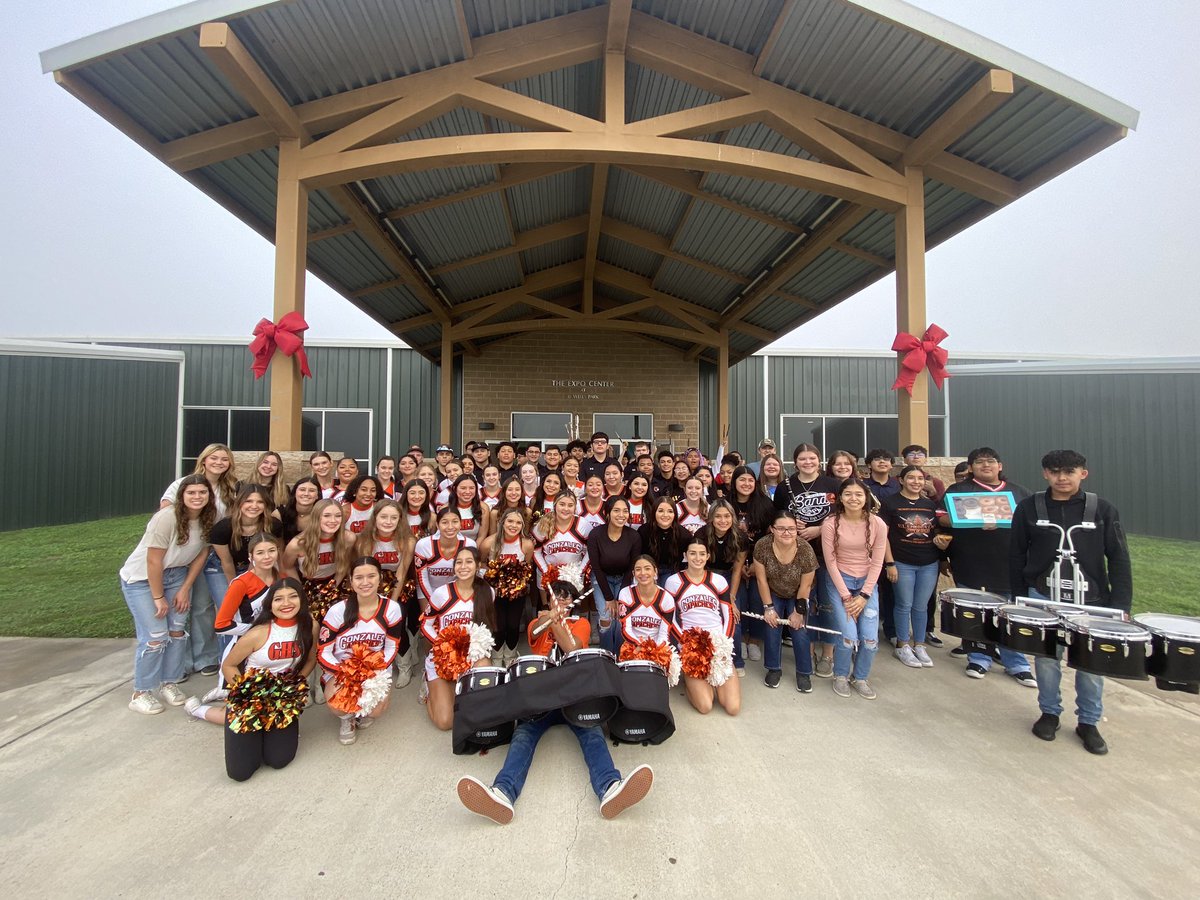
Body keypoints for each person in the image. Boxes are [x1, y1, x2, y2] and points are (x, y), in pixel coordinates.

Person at [456, 578, 655, 825]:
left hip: (575, 694)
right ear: (549, 600)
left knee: (592, 732)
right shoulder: (537, 621)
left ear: (572, 603)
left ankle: (610, 787)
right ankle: (503, 792)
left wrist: (558, 621)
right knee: (523, 735)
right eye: (556, 596)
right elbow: (535, 633)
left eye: (565, 597)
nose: (560, 601)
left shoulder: (580, 623)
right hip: (542, 695)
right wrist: (548, 617)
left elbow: (572, 648)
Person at [1010, 450, 1132, 755]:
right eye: (1055, 472)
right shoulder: (1029, 508)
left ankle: (1089, 722)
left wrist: (1120, 605)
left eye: (1069, 472)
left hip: (1091, 599)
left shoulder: (1101, 510)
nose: (1062, 478)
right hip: (1042, 595)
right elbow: (1015, 553)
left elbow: (1118, 558)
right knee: (1047, 660)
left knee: (1090, 664)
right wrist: (1019, 596)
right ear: (1045, 474)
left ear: (1083, 474)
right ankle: (1049, 712)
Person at [204, 578, 317, 781]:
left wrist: (293, 685)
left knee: (279, 760)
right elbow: (228, 665)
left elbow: (311, 659)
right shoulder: (258, 632)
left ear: (302, 599)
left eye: (293, 596)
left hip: (281, 700)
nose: (286, 604)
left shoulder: (310, 625)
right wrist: (248, 693)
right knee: (240, 773)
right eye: (278, 599)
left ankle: (264, 734)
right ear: (270, 604)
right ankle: (199, 710)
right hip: (250, 698)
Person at [120, 474, 215, 714]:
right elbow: (153, 560)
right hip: (143, 580)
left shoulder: (207, 518)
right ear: (181, 495)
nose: (197, 497)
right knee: (155, 636)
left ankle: (168, 682)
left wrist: (185, 588)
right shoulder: (167, 518)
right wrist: (158, 596)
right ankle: (141, 691)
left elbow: (201, 555)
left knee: (177, 632)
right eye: (191, 492)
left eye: (202, 492)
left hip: (177, 576)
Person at [941, 447, 1036, 687]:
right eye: (979, 462)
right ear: (971, 467)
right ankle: (979, 657)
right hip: (971, 560)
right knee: (974, 610)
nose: (986, 465)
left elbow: (1033, 525)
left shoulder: (1019, 492)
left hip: (1010, 564)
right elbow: (941, 517)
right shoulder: (958, 490)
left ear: (1000, 466)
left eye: (991, 461)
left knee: (1010, 613)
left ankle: (1016, 662)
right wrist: (965, 520)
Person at [161, 443, 238, 676]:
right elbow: (164, 512)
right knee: (179, 607)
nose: (219, 463)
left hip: (210, 554)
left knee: (203, 607)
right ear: (204, 460)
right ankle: (179, 662)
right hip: (182, 554)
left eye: (224, 459)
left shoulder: (230, 489)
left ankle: (205, 657)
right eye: (214, 458)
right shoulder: (184, 484)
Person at [318, 557, 407, 745]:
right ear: (351, 580)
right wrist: (346, 673)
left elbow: (392, 646)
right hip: (342, 671)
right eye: (359, 577)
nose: (365, 582)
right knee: (338, 704)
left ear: (380, 578)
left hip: (375, 669)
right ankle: (347, 719)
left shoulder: (391, 609)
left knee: (375, 710)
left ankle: (360, 713)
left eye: (371, 576)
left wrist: (374, 670)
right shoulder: (337, 611)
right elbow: (323, 652)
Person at [775, 443, 841, 677]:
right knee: (805, 604)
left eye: (812, 458)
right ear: (796, 461)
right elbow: (779, 515)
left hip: (827, 553)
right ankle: (810, 650)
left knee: (828, 604)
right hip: (796, 553)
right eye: (802, 459)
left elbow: (843, 515)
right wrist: (792, 525)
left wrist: (820, 529)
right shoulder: (786, 486)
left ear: (819, 460)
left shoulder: (833, 484)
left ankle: (828, 655)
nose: (807, 462)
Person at [821, 478, 886, 699]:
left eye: (858, 494)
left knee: (870, 640)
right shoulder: (831, 524)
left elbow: (877, 562)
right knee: (848, 637)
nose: (853, 499)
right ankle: (840, 675)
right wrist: (846, 596)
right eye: (848, 494)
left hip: (866, 584)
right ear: (840, 498)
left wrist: (865, 594)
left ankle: (860, 677)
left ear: (866, 497)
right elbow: (830, 563)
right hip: (841, 582)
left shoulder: (878, 524)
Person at [421, 547, 497, 731]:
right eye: (459, 562)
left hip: (471, 656)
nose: (463, 566)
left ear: (478, 565)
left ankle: (458, 688)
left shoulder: (488, 592)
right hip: (443, 656)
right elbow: (426, 624)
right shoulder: (442, 593)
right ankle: (428, 686)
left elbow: (486, 629)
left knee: (478, 706)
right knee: (446, 722)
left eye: (469, 561)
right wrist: (443, 645)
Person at [666, 539, 740, 715]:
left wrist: (723, 643)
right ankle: (690, 678)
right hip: (692, 646)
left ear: (708, 556)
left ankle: (713, 676)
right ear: (685, 556)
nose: (697, 558)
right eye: (692, 553)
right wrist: (686, 642)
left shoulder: (718, 580)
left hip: (717, 644)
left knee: (732, 708)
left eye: (701, 554)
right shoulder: (674, 581)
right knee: (705, 706)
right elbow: (668, 618)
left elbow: (728, 613)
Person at [880, 466, 941, 669]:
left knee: (921, 606)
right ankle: (903, 644)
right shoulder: (890, 503)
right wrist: (889, 563)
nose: (916, 481)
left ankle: (920, 644)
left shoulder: (930, 504)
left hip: (929, 562)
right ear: (901, 480)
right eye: (911, 478)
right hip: (902, 562)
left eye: (920, 478)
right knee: (904, 604)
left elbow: (938, 531)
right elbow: (883, 537)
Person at [753, 511, 818, 691]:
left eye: (791, 529)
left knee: (799, 629)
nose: (786, 533)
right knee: (772, 625)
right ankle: (774, 669)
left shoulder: (805, 550)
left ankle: (804, 672)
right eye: (781, 528)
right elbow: (761, 580)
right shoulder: (762, 546)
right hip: (773, 590)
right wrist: (768, 608)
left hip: (799, 592)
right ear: (772, 529)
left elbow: (806, 585)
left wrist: (798, 612)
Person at [695, 499, 748, 675]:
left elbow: (737, 570)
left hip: (728, 577)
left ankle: (736, 660)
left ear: (732, 518)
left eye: (727, 516)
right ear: (711, 518)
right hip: (706, 575)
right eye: (718, 516)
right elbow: (698, 563)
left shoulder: (740, 537)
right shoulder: (701, 534)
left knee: (733, 617)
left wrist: (731, 597)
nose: (723, 520)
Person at [282, 498, 353, 627]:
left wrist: (332, 587)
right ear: (316, 517)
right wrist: (300, 591)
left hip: (336, 581)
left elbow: (345, 563)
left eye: (338, 516)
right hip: (308, 584)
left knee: (345, 618)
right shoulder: (298, 543)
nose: (333, 520)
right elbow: (287, 567)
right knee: (312, 622)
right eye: (326, 515)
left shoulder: (348, 538)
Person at [585, 496, 642, 654]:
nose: (621, 515)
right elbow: (596, 567)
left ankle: (620, 655)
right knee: (606, 618)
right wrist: (610, 598)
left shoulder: (633, 536)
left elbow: (632, 567)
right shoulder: (596, 534)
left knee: (620, 617)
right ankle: (606, 655)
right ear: (607, 513)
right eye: (616, 510)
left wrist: (620, 597)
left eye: (625, 511)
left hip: (625, 578)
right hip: (601, 578)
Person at [480, 508, 535, 665]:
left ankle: (510, 655)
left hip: (517, 593)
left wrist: (517, 583)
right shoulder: (488, 543)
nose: (514, 525)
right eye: (510, 521)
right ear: (501, 522)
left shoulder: (526, 545)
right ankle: (497, 657)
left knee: (513, 625)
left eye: (518, 522)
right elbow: (482, 563)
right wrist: (493, 578)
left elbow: (527, 566)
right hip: (495, 592)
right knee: (498, 626)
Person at [414, 507, 478, 614]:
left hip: (459, 590)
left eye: (455, 522)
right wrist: (434, 602)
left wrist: (452, 601)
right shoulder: (424, 545)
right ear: (437, 525)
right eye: (445, 522)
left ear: (461, 524)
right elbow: (422, 578)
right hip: (429, 589)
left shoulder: (469, 544)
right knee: (430, 621)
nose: (450, 527)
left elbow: (472, 576)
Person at [210, 485, 279, 582]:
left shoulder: (273, 525)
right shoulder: (222, 528)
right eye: (248, 501)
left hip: (255, 566)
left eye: (260, 502)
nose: (254, 506)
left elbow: (279, 553)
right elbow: (227, 562)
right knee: (231, 596)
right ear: (239, 503)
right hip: (222, 567)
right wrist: (235, 585)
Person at [533, 492, 590, 608]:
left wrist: (580, 570)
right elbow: (535, 550)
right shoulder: (544, 524)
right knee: (549, 608)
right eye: (562, 504)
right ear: (555, 505)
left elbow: (591, 550)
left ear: (575, 507)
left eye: (570, 505)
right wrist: (546, 571)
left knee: (571, 609)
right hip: (548, 573)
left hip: (573, 575)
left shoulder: (582, 524)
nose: (566, 509)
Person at [618, 556, 676, 645]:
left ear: (655, 571)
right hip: (633, 647)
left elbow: (664, 634)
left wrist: (654, 652)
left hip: (657, 648)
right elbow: (625, 629)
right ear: (633, 573)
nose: (643, 573)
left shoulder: (666, 598)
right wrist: (640, 646)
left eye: (647, 568)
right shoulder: (626, 593)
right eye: (638, 569)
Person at [638, 496, 689, 587]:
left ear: (675, 514)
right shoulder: (643, 531)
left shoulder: (684, 535)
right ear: (654, 512)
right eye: (660, 511)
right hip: (648, 570)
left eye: (670, 511)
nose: (665, 515)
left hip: (672, 570)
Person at [448, 474, 491, 544]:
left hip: (474, 548)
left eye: (471, 488)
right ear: (455, 489)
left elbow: (481, 536)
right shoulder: (446, 508)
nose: (467, 492)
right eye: (463, 488)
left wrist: (473, 551)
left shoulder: (483, 508)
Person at [279, 476, 321, 544]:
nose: (306, 494)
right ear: (295, 493)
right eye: (302, 489)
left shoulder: (322, 516)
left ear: (317, 496)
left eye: (311, 490)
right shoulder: (280, 513)